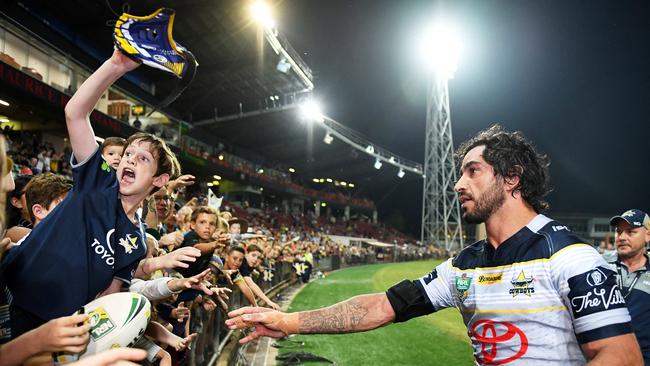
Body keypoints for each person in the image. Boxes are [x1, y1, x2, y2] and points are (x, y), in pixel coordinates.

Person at [226, 125, 642, 365]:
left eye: (472, 171)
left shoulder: (572, 258)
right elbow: (383, 306)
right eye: (459, 173)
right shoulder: (463, 266)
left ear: (512, 178)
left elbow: (620, 356)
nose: (458, 183)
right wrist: (291, 322)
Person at [1, 50, 183, 337]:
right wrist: (116, 66)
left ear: (159, 180)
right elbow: (75, 113)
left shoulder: (136, 243)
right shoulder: (99, 181)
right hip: (11, 301)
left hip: (57, 331)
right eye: (128, 153)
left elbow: (106, 299)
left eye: (143, 159)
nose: (130, 159)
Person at [603, 209, 650, 363]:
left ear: (648, 236)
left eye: (631, 232)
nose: (622, 237)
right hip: (603, 355)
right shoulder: (598, 264)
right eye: (619, 231)